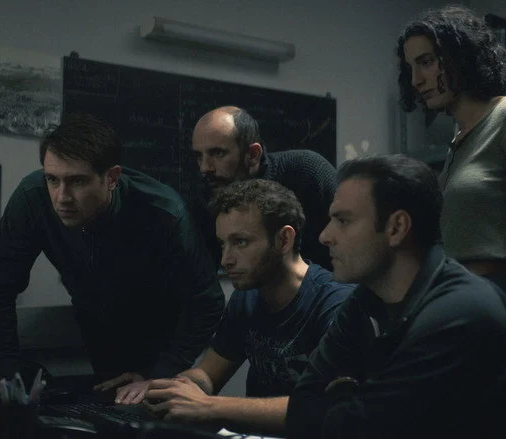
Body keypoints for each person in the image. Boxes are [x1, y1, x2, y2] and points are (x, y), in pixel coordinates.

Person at [285, 154, 506, 438]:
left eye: (343, 220)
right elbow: (300, 408)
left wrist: (343, 396)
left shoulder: (461, 312)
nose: (325, 236)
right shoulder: (366, 300)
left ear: (397, 228)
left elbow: (365, 429)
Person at [0, 114, 224, 405]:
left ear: (111, 178)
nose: (62, 197)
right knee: (104, 410)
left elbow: (206, 301)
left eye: (77, 181)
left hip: (163, 335)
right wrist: (7, 383)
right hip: (98, 327)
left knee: (150, 410)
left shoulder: (164, 212)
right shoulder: (33, 197)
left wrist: (160, 375)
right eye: (53, 179)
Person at [396, 5, 506, 364]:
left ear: (460, 56)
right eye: (411, 67)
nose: (417, 79)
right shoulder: (458, 139)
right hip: (460, 311)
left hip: (503, 309)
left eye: (426, 62)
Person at [141, 179, 353, 435]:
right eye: (222, 244)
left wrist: (209, 406)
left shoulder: (336, 304)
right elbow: (207, 375)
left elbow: (326, 409)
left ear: (284, 239)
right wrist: (171, 389)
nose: (225, 260)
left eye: (240, 242)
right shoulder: (248, 297)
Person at [190, 106, 337, 270]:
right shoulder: (208, 199)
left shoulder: (307, 173)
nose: (204, 167)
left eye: (218, 153)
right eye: (199, 156)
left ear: (253, 155)